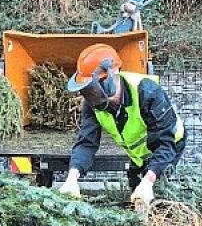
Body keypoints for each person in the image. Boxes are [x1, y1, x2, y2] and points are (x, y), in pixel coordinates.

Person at [59, 43, 186, 205]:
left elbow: (165, 144)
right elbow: (86, 143)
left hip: (169, 147)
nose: (89, 97)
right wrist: (72, 177)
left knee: (159, 196)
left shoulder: (147, 93)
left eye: (91, 89)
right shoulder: (93, 105)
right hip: (139, 155)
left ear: (110, 79)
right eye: (85, 91)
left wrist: (148, 181)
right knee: (135, 190)